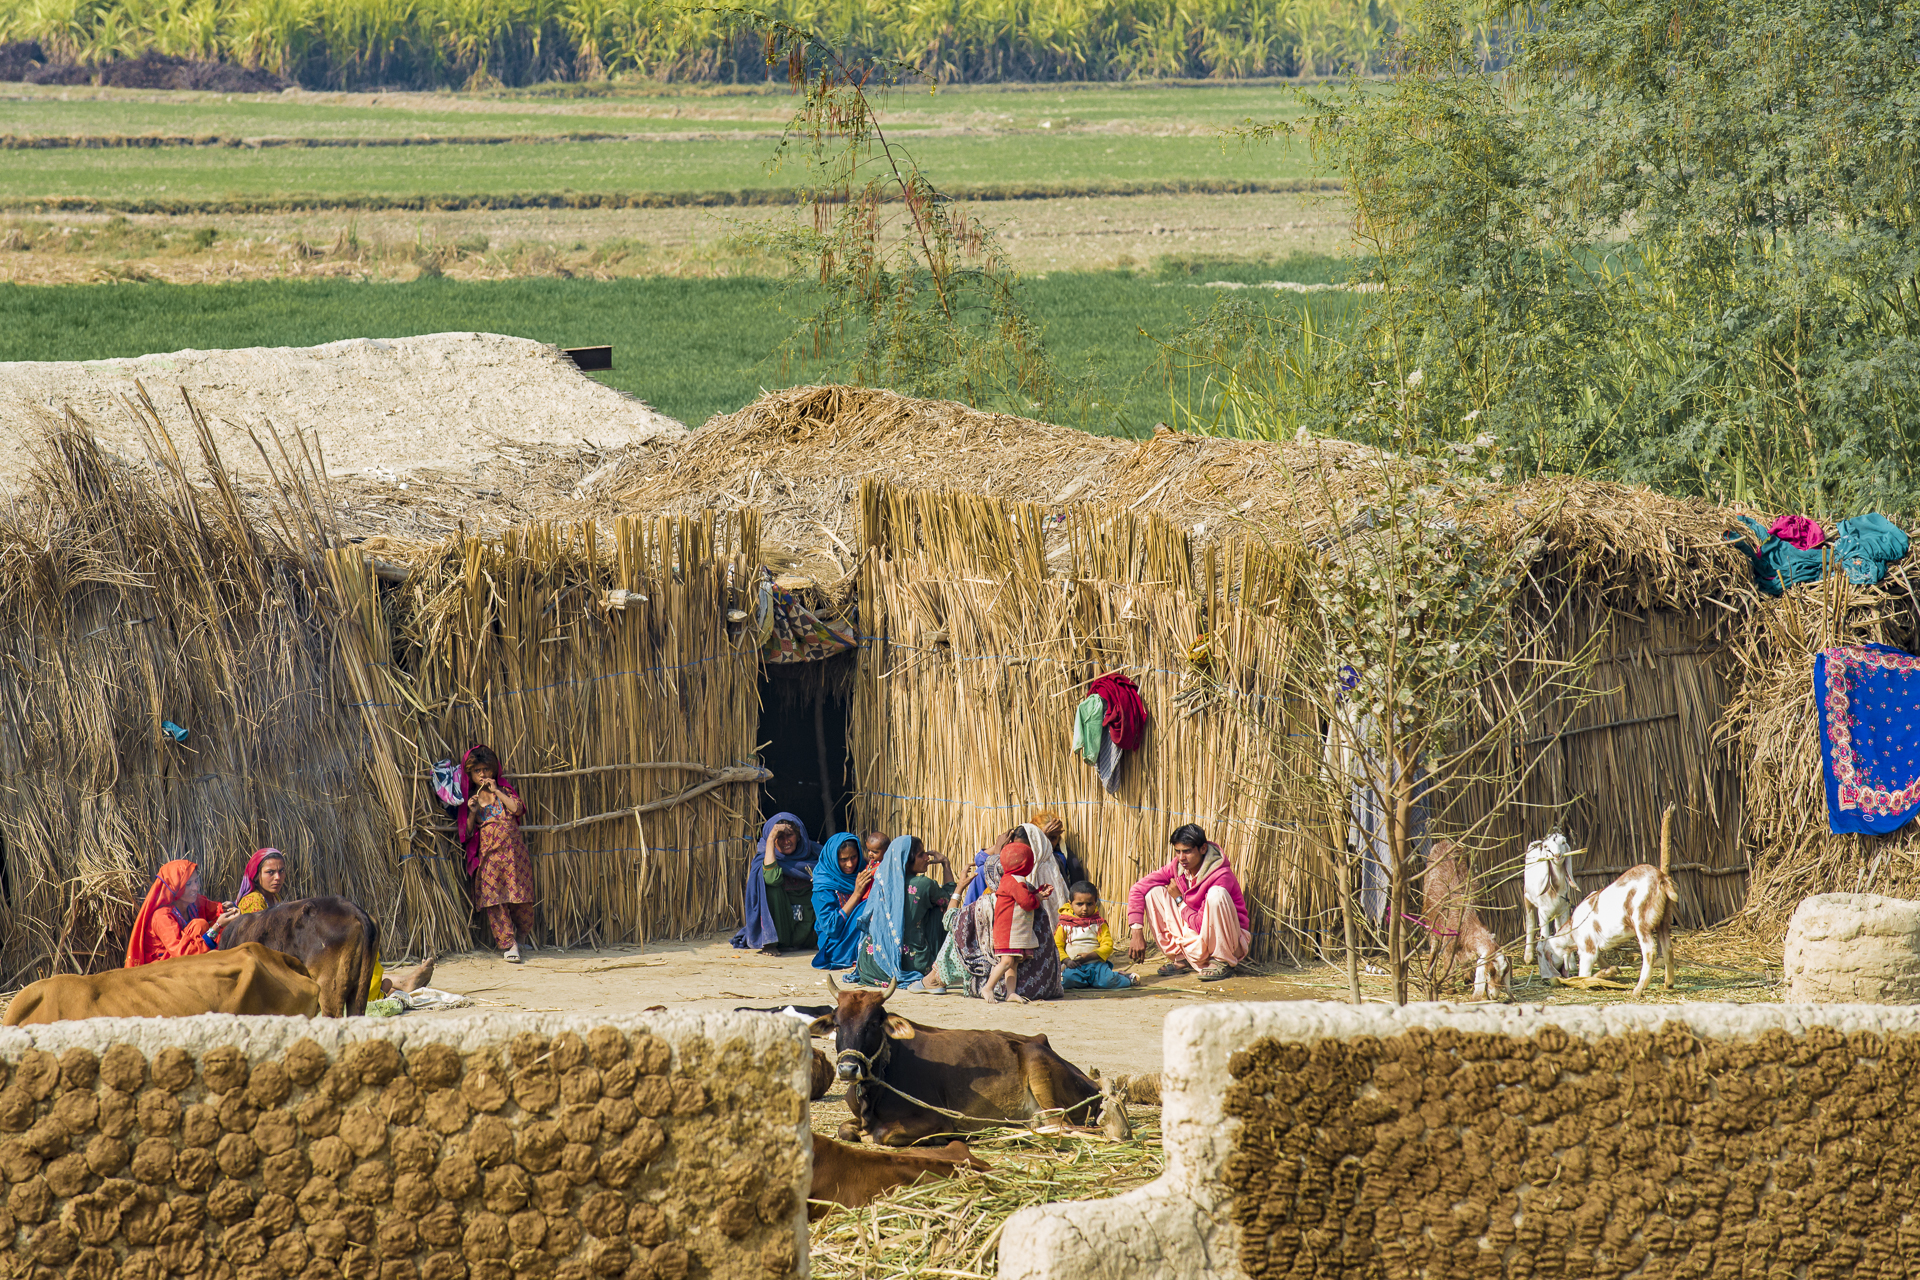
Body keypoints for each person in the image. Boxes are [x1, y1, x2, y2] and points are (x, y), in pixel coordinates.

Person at [230, 847, 434, 996]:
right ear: (256, 876)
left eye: (281, 871)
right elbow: (261, 949)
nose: (277, 877)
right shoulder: (253, 903)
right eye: (270, 872)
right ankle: (396, 984)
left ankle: (396, 983)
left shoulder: (275, 900)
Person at [1125, 823, 1251, 982]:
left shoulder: (1220, 875)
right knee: (1152, 893)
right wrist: (1136, 932)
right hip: (1195, 933)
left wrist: (1179, 900)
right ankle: (1182, 957)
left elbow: (1200, 923)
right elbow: (1138, 888)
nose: (1181, 858)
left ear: (1203, 848)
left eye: (1187, 851)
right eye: (1177, 851)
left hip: (1229, 941)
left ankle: (1222, 961)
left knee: (1216, 895)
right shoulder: (1177, 867)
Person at [460, 745, 537, 963]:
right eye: (477, 771)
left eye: (486, 769)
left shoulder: (505, 791)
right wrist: (473, 812)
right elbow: (466, 833)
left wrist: (497, 791)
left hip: (514, 856)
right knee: (495, 901)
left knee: (521, 898)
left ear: (494, 770)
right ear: (470, 774)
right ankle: (508, 944)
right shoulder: (472, 799)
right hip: (490, 857)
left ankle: (521, 936)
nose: (482, 774)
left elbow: (518, 809)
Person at [854, 836, 956, 991]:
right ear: (907, 861)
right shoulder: (924, 884)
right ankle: (938, 961)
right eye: (921, 854)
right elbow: (950, 900)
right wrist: (946, 865)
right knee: (939, 911)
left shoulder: (882, 881)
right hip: (912, 964)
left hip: (870, 965)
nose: (927, 857)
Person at [732, 813, 819, 954]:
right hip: (782, 926)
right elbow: (772, 879)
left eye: (789, 835)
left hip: (809, 926)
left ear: (799, 836)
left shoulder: (814, 854)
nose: (785, 841)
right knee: (769, 886)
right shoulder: (763, 859)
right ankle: (770, 942)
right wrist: (771, 838)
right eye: (780, 837)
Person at [126, 860, 241, 967]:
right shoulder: (161, 917)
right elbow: (180, 952)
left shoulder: (193, 903)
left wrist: (229, 909)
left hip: (187, 960)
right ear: (175, 887)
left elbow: (215, 909)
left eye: (196, 881)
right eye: (188, 884)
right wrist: (217, 927)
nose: (195, 888)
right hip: (164, 968)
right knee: (199, 925)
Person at [985, 839, 1051, 1003]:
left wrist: (1036, 892)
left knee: (1013, 962)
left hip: (1011, 929)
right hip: (1008, 930)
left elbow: (1022, 897)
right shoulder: (1015, 881)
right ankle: (988, 987)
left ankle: (1010, 993)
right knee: (1007, 961)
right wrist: (1038, 897)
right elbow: (1027, 902)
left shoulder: (1010, 879)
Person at [811, 832, 874, 972]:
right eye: (843, 859)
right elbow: (831, 928)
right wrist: (856, 894)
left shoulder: (863, 873)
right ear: (833, 859)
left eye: (854, 857)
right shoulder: (823, 886)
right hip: (835, 946)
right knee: (868, 906)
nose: (850, 864)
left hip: (856, 937)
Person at [1055, 880, 1135, 990]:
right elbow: (1057, 946)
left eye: (1089, 904)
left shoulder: (1099, 923)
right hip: (1074, 966)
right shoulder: (1064, 925)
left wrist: (1089, 956)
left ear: (1095, 902)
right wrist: (1067, 960)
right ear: (1070, 904)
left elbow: (1107, 945)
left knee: (1108, 981)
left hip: (1097, 965)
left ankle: (1125, 977)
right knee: (1066, 980)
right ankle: (1090, 981)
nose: (1084, 908)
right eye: (1079, 904)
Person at [1030, 809, 1087, 887]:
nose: (1049, 842)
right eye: (1045, 838)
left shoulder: (1061, 858)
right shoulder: (1027, 856)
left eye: (1053, 838)